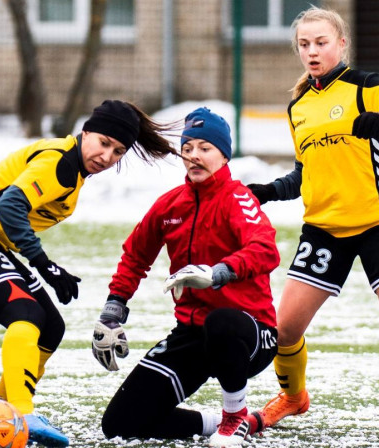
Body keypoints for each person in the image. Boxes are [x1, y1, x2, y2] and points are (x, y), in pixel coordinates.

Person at [0, 99, 178, 447]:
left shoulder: (73, 169)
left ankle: (1, 413)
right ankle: (22, 413)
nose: (108, 157)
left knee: (51, 326)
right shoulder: (61, 160)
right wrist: (44, 264)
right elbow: (11, 205)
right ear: (86, 132)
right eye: (104, 143)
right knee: (26, 312)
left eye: (119, 151)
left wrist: (44, 266)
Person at [246, 6, 379, 428]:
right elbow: (306, 173)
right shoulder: (298, 106)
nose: (312, 52)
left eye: (321, 43)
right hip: (323, 230)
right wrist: (270, 191)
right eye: (304, 45)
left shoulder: (367, 85)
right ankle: (293, 397)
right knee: (283, 331)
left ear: (342, 44)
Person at [94, 107, 280, 447]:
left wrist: (218, 274)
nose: (195, 155)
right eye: (188, 147)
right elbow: (135, 256)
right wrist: (113, 309)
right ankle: (238, 422)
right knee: (120, 423)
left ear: (224, 155)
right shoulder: (170, 205)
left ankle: (233, 415)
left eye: (205, 148)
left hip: (250, 334)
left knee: (221, 323)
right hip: (193, 333)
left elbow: (266, 250)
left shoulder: (238, 199)